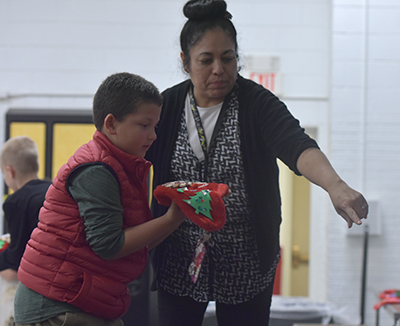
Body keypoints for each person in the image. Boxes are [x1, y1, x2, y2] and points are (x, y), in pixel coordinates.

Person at [145, 1, 369, 326]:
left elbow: (297, 146)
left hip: (246, 258)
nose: (219, 69)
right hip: (179, 255)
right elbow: (129, 157)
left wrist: (336, 186)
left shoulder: (257, 104)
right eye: (206, 60)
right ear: (185, 62)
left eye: (228, 57)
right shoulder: (166, 107)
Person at [13, 72, 187, 326]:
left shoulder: (121, 166)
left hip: (79, 298)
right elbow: (109, 245)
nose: (153, 136)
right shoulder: (97, 168)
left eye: (155, 126)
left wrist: (176, 218)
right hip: (54, 305)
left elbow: (138, 243)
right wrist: (171, 217)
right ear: (111, 124)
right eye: (144, 125)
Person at [0, 136, 51, 281]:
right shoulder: (53, 189)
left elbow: (15, 259)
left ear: (10, 172)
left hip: (38, 276)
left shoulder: (15, 202)